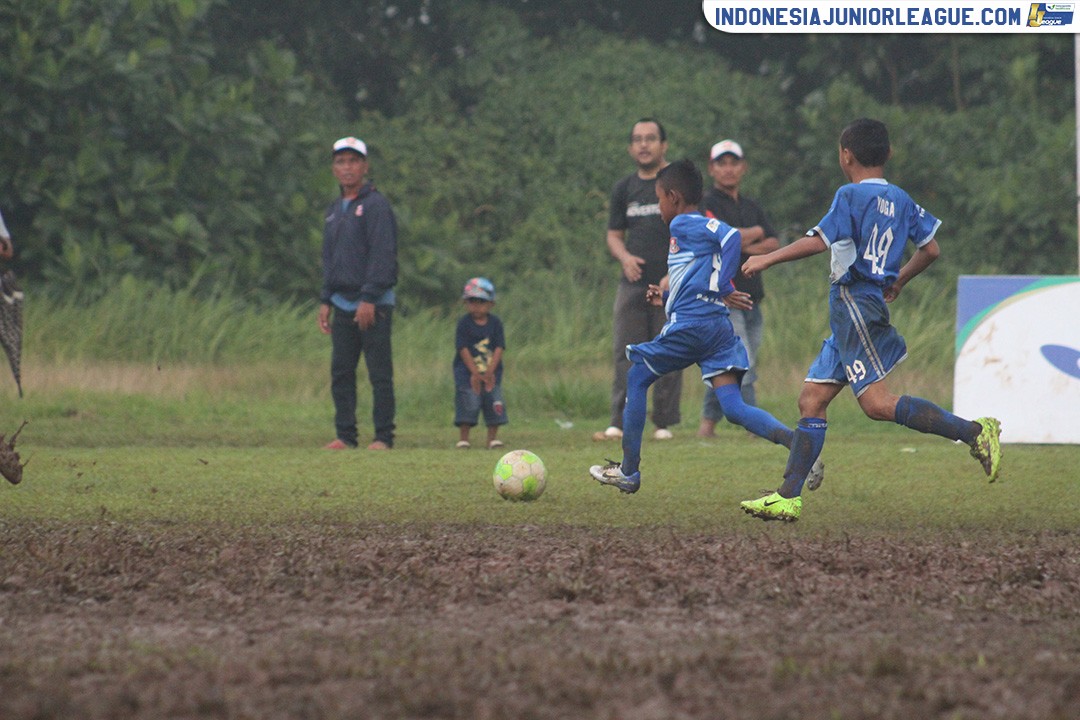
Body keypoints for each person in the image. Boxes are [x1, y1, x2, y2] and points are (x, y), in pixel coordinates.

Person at [739, 118, 1002, 522]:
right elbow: (931, 249)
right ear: (889, 154)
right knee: (812, 398)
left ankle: (975, 432)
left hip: (855, 304)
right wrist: (898, 279)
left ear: (846, 155)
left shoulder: (849, 195)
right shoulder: (901, 198)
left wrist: (766, 258)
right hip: (856, 308)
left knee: (877, 404)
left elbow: (817, 240)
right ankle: (787, 497)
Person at [589, 159, 823, 494]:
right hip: (715, 330)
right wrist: (666, 296)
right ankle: (801, 448)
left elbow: (729, 239)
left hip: (692, 328)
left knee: (637, 377)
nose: (658, 208)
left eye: (659, 200)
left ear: (672, 197)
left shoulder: (685, 223)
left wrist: (726, 285)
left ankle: (629, 471)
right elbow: (696, 274)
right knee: (735, 408)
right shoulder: (690, 233)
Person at [594, 118, 682, 443]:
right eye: (638, 139)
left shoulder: (677, 183)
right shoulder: (624, 188)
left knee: (669, 351)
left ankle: (663, 422)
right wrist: (625, 258)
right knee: (626, 352)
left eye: (651, 138)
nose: (644, 145)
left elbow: (691, 231)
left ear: (663, 145)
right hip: (632, 284)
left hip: (670, 285)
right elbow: (614, 235)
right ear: (631, 147)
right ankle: (619, 419)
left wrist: (676, 272)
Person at [317, 136, 398, 450]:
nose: (347, 167)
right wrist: (326, 299)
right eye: (341, 161)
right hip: (341, 302)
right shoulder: (334, 209)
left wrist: (369, 297)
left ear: (364, 166)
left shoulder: (376, 205)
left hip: (373, 305)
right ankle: (346, 435)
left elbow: (383, 254)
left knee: (379, 373)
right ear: (334, 168)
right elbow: (330, 258)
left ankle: (383, 437)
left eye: (353, 161)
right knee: (341, 372)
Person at [698, 139, 780, 437]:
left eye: (734, 162)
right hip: (725, 298)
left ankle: (706, 427)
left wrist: (740, 240)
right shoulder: (706, 204)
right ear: (712, 168)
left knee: (731, 364)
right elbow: (719, 239)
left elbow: (773, 242)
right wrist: (753, 236)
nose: (729, 169)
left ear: (743, 167)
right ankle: (755, 428)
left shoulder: (751, 206)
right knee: (741, 361)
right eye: (722, 163)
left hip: (752, 298)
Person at [453, 277, 508, 450]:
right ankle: (464, 439)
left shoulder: (495, 323)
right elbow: (462, 349)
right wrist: (475, 373)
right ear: (465, 302)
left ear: (491, 303)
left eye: (481, 301)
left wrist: (490, 372)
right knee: (468, 402)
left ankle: (492, 439)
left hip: (492, 374)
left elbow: (499, 348)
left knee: (494, 402)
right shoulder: (464, 324)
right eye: (472, 301)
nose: (476, 305)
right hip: (467, 374)